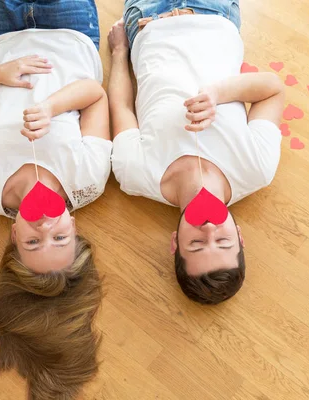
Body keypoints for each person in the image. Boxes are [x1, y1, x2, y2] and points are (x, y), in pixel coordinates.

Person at [0, 0, 108, 398]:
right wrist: (52, 108)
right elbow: (96, 95)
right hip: (71, 32)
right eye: (59, 238)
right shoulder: (87, 179)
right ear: (74, 228)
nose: (44, 227)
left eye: (33, 242)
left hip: (3, 36)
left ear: (13, 238)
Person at [108, 0, 285, 305]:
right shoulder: (256, 169)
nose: (209, 229)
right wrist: (219, 93)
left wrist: (119, 54)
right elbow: (273, 88)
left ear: (176, 243)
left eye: (198, 244)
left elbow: (121, 106)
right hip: (215, 13)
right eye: (223, 241)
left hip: (147, 19)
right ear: (239, 236)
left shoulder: (135, 174)